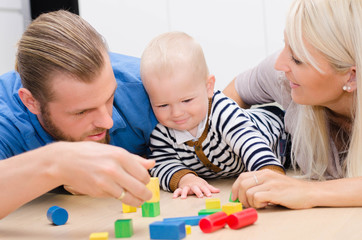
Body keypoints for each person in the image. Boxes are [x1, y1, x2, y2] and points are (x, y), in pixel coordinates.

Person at [0, 10, 158, 219]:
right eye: (82, 111)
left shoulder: (147, 86)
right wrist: (56, 164)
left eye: (110, 97)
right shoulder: (6, 117)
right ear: (31, 102)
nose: (107, 121)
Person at [224, 0, 362, 209]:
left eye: (297, 59)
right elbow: (232, 95)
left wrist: (308, 192)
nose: (280, 64)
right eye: (285, 45)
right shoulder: (283, 77)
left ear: (352, 77)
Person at [140, 31, 288, 199]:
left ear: (208, 87)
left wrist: (268, 173)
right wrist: (185, 179)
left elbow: (250, 143)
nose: (176, 113)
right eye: (163, 105)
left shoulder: (223, 112)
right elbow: (161, 165)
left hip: (282, 134)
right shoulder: (162, 134)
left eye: (187, 100)